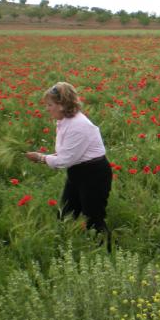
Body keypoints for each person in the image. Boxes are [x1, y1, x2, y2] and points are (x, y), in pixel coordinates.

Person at [26, 82, 113, 251]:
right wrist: (48, 157)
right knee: (66, 213)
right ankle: (66, 248)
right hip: (78, 171)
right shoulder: (65, 121)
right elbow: (66, 153)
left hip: (93, 175)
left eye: (50, 105)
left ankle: (109, 252)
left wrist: (40, 158)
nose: (47, 109)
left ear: (62, 105)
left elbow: (64, 160)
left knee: (93, 218)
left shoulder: (78, 126)